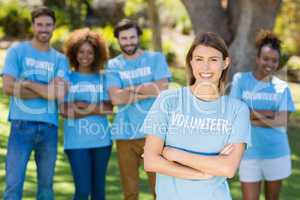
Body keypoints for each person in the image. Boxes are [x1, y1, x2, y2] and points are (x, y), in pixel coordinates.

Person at [141, 32, 251, 200]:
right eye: (199, 59)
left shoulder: (237, 110)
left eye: (213, 60)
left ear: (225, 63)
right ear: (191, 61)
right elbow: (150, 161)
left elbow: (228, 168)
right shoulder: (168, 100)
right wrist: (202, 173)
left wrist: (173, 154)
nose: (205, 67)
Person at [1, 6, 69, 200]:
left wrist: (27, 83)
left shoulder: (60, 60)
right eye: (39, 25)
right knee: (13, 187)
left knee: (46, 189)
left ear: (54, 27)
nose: (44, 29)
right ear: (33, 26)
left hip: (49, 128)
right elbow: (8, 87)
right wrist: (46, 90)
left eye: (48, 25)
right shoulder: (17, 52)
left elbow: (59, 93)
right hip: (21, 126)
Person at [105, 19, 172, 200]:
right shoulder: (113, 65)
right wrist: (146, 90)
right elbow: (115, 98)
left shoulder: (155, 58)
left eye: (132, 37)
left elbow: (162, 88)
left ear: (139, 37)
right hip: (124, 134)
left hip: (153, 133)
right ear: (118, 40)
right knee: (130, 191)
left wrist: (129, 90)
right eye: (124, 38)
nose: (129, 42)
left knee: (160, 189)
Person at [230, 30, 295, 200]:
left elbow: (282, 121)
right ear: (258, 58)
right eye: (266, 59)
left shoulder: (282, 87)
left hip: (276, 152)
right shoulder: (240, 80)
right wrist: (270, 115)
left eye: (274, 61)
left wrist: (250, 114)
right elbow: (235, 114)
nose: (269, 64)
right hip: (248, 153)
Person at [60, 28, 112, 200]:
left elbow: (109, 108)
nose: (85, 56)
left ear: (96, 54)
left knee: (99, 192)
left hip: (102, 142)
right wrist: (94, 108)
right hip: (76, 143)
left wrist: (80, 105)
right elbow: (65, 111)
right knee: (82, 191)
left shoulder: (103, 78)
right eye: (81, 51)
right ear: (74, 53)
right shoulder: (67, 77)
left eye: (90, 52)